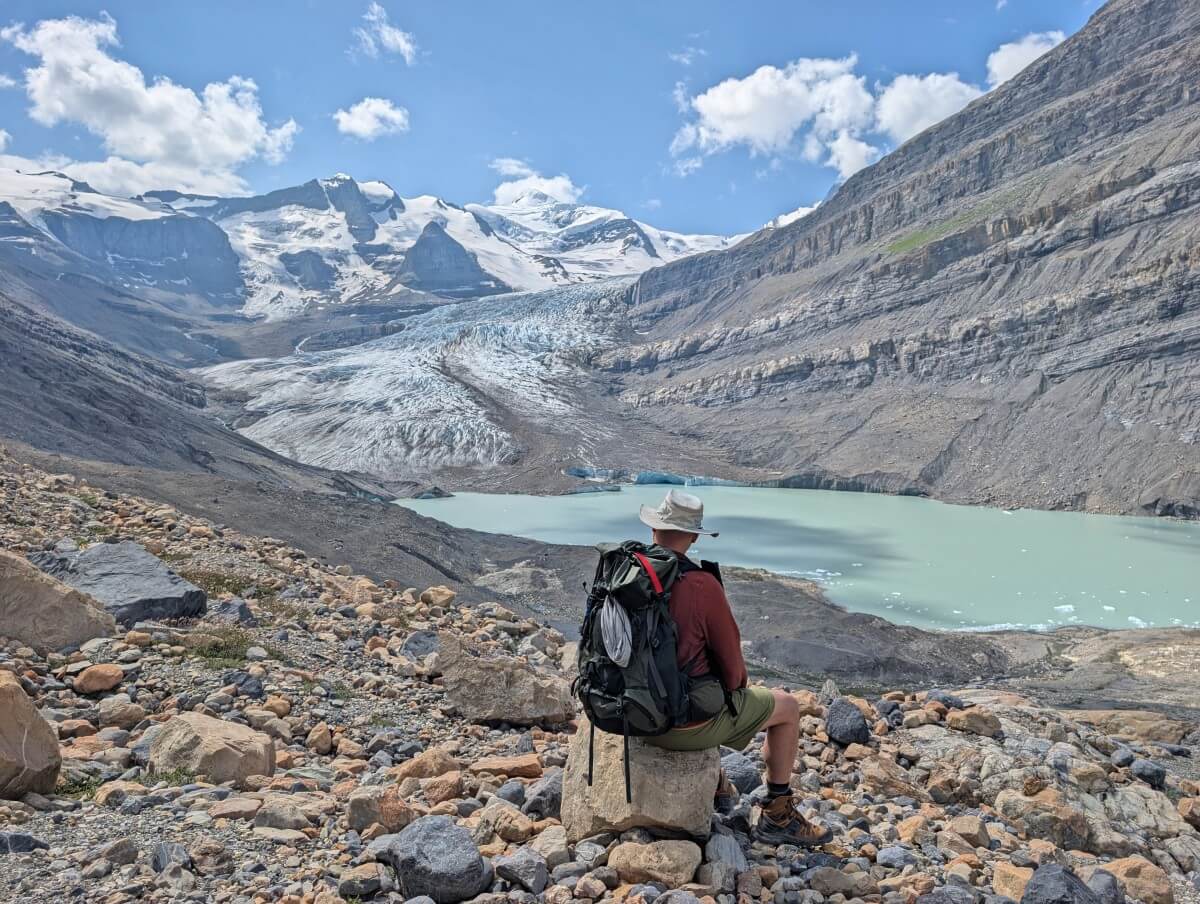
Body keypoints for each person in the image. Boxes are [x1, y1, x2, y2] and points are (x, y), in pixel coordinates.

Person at [638, 489, 831, 847]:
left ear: (653, 529)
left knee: (694, 686)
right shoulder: (700, 585)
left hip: (625, 717)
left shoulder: (626, 575)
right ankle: (778, 813)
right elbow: (734, 674)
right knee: (786, 707)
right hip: (674, 726)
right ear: (694, 536)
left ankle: (717, 785)